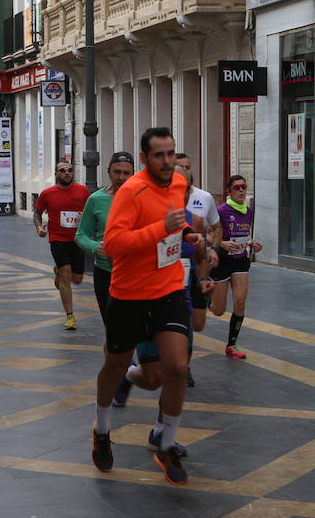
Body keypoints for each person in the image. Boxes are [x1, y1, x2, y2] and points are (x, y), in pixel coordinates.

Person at [91, 127, 201, 485]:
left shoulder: (179, 185)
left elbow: (177, 222)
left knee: (178, 368)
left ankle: (166, 446)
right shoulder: (131, 191)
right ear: (144, 158)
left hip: (167, 288)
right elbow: (114, 243)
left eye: (171, 153)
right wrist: (159, 229)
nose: (168, 161)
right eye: (159, 155)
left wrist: (188, 234)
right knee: (117, 366)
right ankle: (102, 430)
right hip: (128, 294)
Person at [74, 152, 135, 322]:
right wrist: (95, 247)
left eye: (126, 173)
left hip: (136, 272)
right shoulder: (96, 199)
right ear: (108, 171)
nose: (121, 177)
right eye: (117, 172)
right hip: (105, 273)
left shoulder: (142, 197)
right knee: (113, 328)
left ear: (133, 174)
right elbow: (81, 235)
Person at [208, 175, 263, 359]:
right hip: (222, 261)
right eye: (237, 187)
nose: (241, 190)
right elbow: (209, 236)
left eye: (243, 187)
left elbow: (246, 235)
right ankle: (205, 297)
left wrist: (253, 244)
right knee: (218, 310)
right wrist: (222, 244)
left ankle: (231, 345)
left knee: (240, 302)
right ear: (229, 191)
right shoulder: (221, 211)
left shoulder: (249, 212)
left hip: (240, 261)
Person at [34, 162, 90, 330]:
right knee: (66, 275)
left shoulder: (83, 191)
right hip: (58, 239)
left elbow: (89, 211)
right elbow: (37, 212)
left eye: (70, 170)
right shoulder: (47, 194)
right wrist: (39, 227)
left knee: (77, 279)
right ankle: (70, 315)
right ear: (56, 173)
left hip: (78, 239)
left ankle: (58, 273)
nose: (67, 173)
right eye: (63, 170)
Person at [179, 153, 221, 337]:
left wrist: (213, 250)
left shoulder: (203, 197)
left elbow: (217, 227)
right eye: (180, 168)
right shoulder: (159, 200)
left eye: (187, 168)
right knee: (178, 324)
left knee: (197, 324)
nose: (184, 172)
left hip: (195, 266)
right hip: (168, 272)